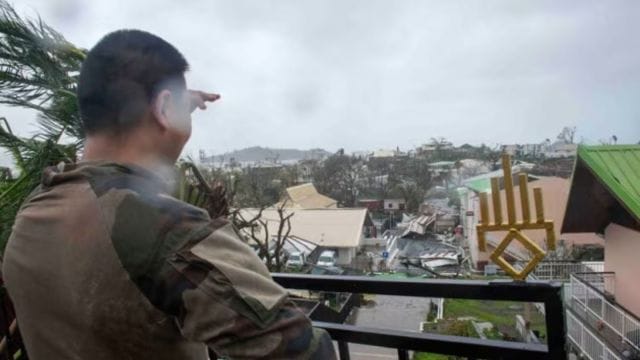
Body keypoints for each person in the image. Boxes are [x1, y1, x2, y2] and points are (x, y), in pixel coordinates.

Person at [2, 29, 335, 360]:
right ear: (163, 109)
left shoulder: (35, 211)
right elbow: (303, 351)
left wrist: (172, 103)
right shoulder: (163, 228)